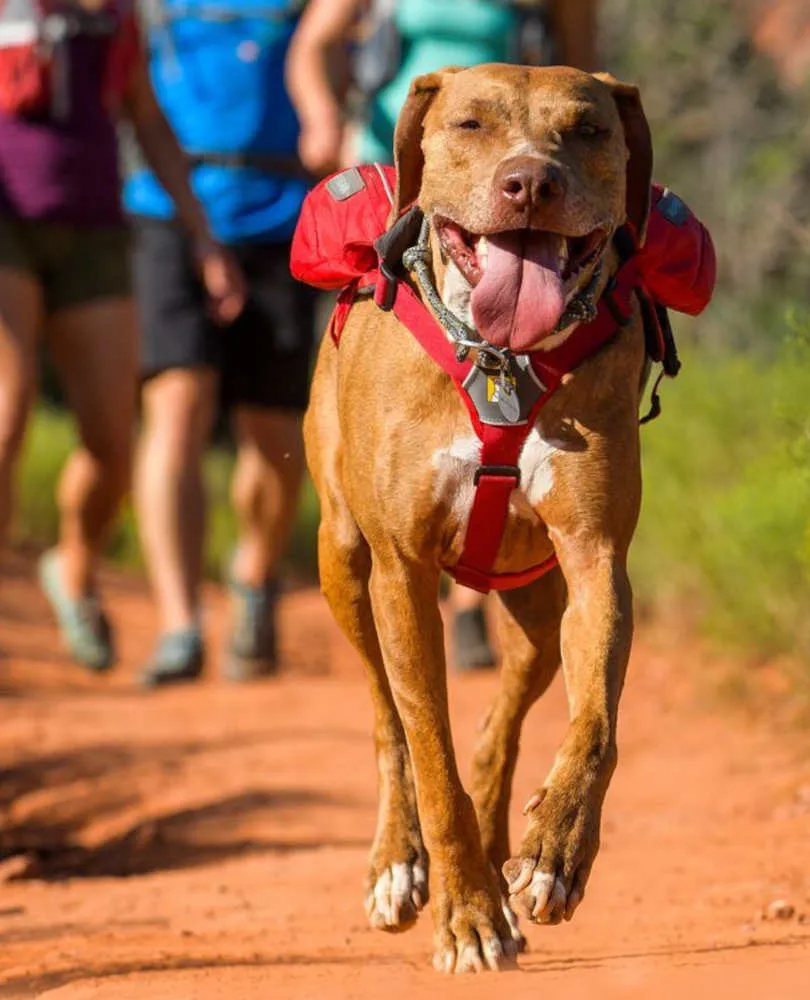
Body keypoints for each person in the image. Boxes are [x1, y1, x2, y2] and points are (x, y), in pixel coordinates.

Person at [286, 0, 597, 670]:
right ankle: (410, 565)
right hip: (403, 188)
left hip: (522, 188)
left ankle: (468, 607)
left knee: (505, 396)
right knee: (411, 415)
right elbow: (314, 45)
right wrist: (322, 121)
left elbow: (583, 74)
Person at [0, 0, 244, 671]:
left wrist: (200, 232)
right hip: (6, 223)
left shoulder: (120, 15)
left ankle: (73, 567)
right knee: (6, 413)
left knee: (111, 443)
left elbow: (147, 118)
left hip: (96, 234)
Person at [125, 0, 344, 686]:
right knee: (177, 407)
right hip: (166, 211)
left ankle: (253, 575)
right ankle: (179, 621)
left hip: (281, 219)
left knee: (274, 433)